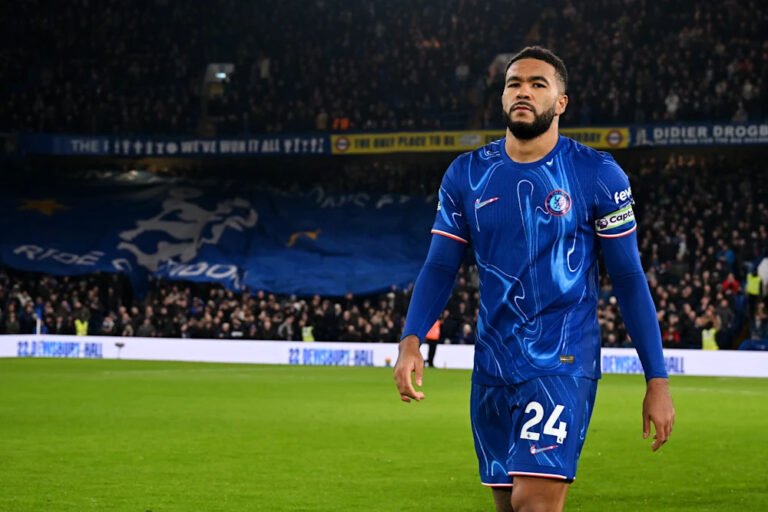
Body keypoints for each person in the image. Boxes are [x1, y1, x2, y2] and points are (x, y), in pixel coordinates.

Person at [393, 46, 675, 512]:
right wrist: (411, 339)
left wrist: (657, 379)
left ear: (561, 102)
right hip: (493, 364)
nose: (523, 91)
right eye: (514, 84)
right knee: (508, 505)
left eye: (538, 84)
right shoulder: (467, 174)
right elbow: (441, 265)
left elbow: (627, 277)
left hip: (561, 358)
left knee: (535, 503)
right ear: (503, 97)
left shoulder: (598, 173)